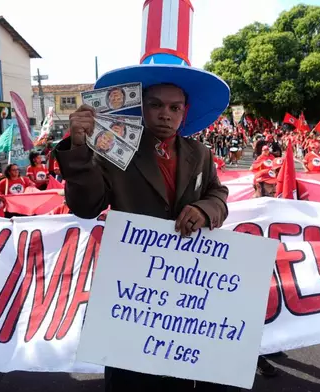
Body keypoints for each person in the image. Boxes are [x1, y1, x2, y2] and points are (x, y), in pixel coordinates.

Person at [55, 56, 232, 390]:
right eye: (156, 105)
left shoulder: (201, 153)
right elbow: (86, 206)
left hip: (185, 285)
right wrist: (78, 148)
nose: (166, 114)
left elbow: (218, 193)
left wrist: (206, 210)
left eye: (175, 107)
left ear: (185, 111)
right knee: (128, 376)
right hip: (131, 289)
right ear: (140, 107)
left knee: (178, 376)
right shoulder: (111, 149)